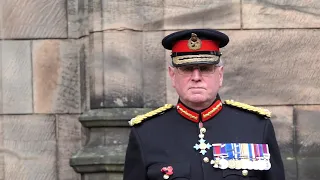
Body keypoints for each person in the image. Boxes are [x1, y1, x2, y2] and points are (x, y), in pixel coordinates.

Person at [123, 29, 285, 180]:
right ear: (172, 76)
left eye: (206, 68)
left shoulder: (255, 126)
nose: (196, 77)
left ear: (220, 75)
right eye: (186, 69)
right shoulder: (147, 133)